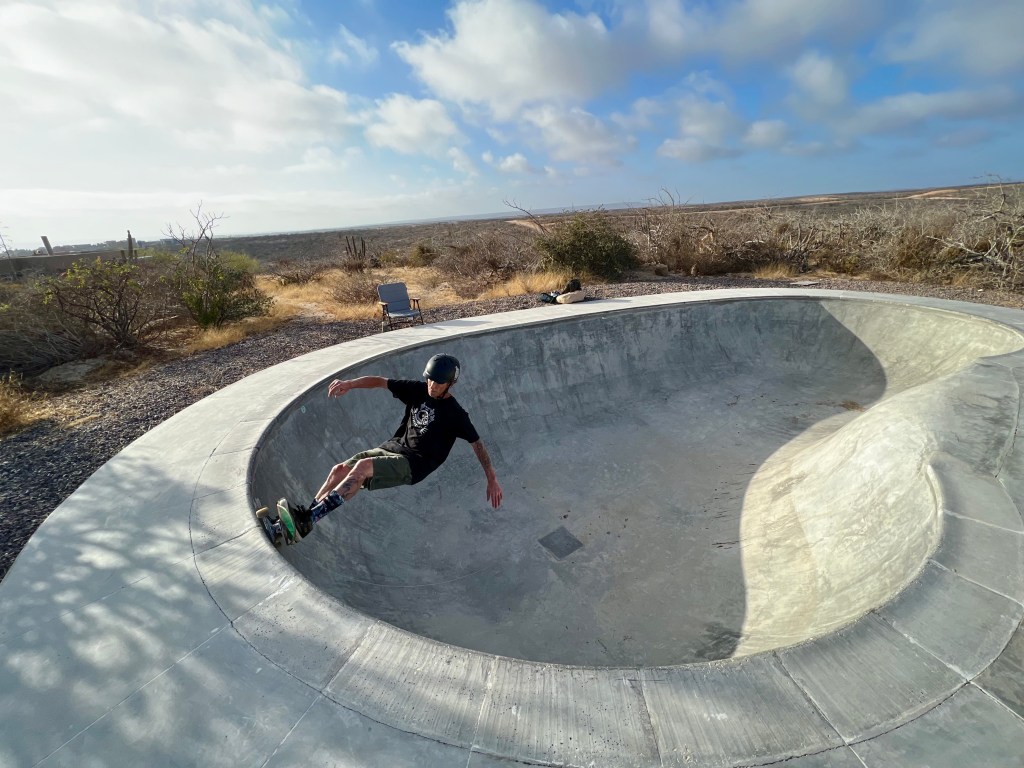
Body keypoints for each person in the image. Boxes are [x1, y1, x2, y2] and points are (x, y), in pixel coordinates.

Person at [288, 353, 503, 538]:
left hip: (415, 464)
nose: (432, 386)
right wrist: (350, 384)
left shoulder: (456, 414)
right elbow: (381, 382)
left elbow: (477, 445)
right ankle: (306, 518)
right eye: (430, 380)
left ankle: (311, 518)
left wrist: (492, 479)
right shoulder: (418, 390)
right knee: (340, 470)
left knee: (362, 468)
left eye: (438, 384)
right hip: (394, 447)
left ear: (450, 384)